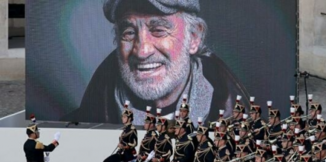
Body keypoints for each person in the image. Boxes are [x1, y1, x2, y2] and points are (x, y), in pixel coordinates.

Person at [65, 0, 249, 124]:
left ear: (193, 38)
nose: (142, 51)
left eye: (158, 30)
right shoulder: (77, 130)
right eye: (129, 32)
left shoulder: (244, 130)